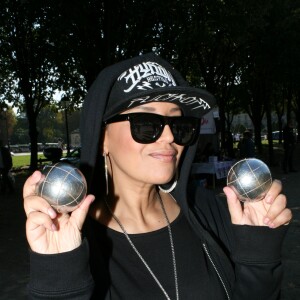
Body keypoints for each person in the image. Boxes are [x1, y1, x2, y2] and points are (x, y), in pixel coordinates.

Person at [23, 53, 292, 299]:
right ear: (102, 138)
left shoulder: (209, 211)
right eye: (146, 124)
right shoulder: (74, 240)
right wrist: (59, 277)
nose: (170, 136)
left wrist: (259, 257)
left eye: (180, 124)